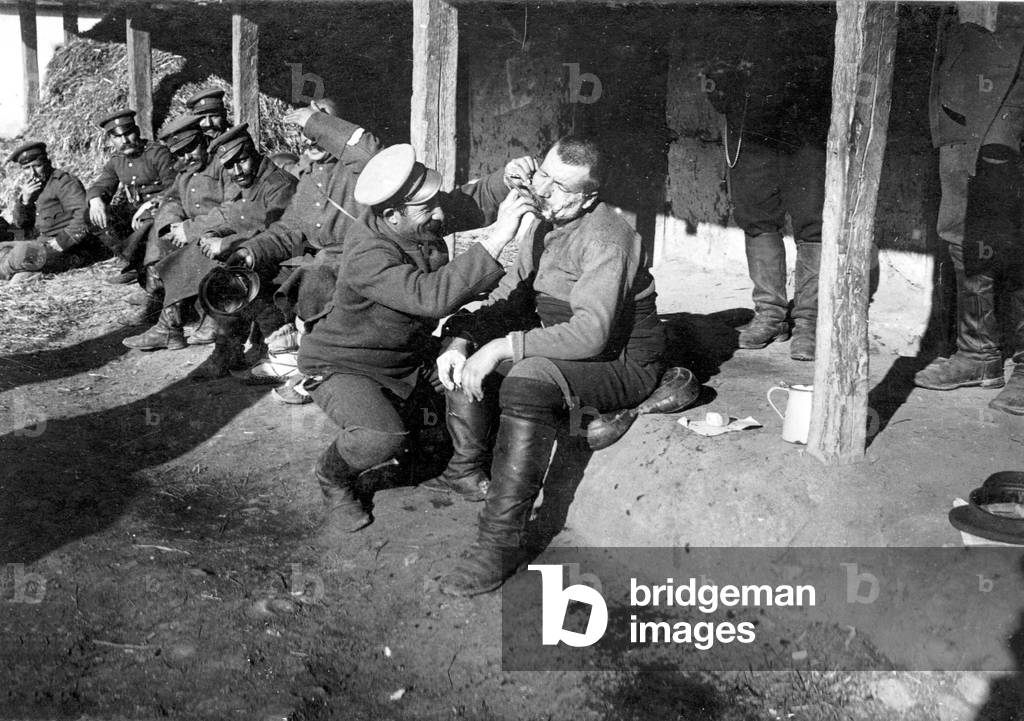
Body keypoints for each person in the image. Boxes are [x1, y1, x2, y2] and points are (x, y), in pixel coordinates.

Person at [435, 137, 666, 597]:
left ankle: (499, 543)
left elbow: (591, 335)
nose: (544, 189)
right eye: (543, 174)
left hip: (618, 360)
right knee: (461, 350)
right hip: (568, 343)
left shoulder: (608, 238)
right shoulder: (543, 224)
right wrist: (464, 335)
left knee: (526, 379)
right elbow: (514, 296)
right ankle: (465, 470)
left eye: (561, 187)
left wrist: (504, 347)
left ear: (590, 198)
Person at [296, 143, 534, 545]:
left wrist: (504, 179)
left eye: (436, 204)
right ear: (391, 216)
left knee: (462, 390)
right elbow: (430, 297)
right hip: (345, 365)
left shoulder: (415, 216)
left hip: (406, 358)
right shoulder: (367, 253)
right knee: (381, 437)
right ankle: (333, 478)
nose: (441, 216)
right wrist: (496, 241)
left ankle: (455, 472)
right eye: (428, 211)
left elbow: (468, 201)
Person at [701, 6, 834, 361]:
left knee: (813, 222)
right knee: (757, 217)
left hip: (806, 120)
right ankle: (771, 315)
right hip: (753, 123)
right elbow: (715, 62)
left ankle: (809, 321)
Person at [914, 5, 1024, 416]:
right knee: (961, 229)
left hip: (1013, 91)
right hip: (959, 96)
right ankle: (979, 355)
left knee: (1014, 230)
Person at [227, 99, 380, 394]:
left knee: (318, 273)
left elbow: (369, 151)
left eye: (322, 128)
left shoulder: (362, 168)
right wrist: (251, 250)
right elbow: (290, 228)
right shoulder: (310, 177)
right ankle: (294, 357)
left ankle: (320, 371)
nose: (312, 138)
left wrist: (316, 122)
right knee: (273, 274)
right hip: (326, 260)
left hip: (364, 257)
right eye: (308, 132)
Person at [148, 123, 297, 378]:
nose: (237, 171)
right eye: (229, 166)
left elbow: (278, 235)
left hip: (288, 261)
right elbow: (234, 217)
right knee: (215, 271)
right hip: (257, 256)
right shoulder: (246, 183)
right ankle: (228, 351)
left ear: (255, 153)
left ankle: (267, 348)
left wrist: (226, 244)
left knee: (233, 279)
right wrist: (214, 234)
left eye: (242, 161)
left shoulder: (278, 185)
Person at [121, 114, 234, 351]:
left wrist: (190, 229)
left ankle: (169, 328)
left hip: (224, 235)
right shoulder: (186, 172)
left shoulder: (225, 164)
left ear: (203, 140)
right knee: (161, 238)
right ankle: (167, 321)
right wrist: (172, 224)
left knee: (186, 256)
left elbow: (234, 210)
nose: (186, 157)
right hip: (196, 235)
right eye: (179, 153)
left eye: (191, 148)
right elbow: (172, 199)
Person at [87, 109, 176, 284]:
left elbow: (174, 187)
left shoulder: (157, 153)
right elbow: (101, 185)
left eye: (128, 134)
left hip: (160, 207)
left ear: (137, 131)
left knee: (147, 222)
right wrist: (95, 200)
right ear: (111, 140)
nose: (125, 141)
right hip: (134, 210)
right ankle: (133, 261)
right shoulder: (116, 161)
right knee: (90, 215)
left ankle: (136, 266)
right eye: (118, 137)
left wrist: (149, 204)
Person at [0, 141, 95, 279]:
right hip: (41, 245)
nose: (32, 173)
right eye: (26, 168)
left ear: (47, 162)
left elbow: (84, 215)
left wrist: (62, 242)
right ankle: (24, 271)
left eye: (37, 166)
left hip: (68, 249)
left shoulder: (63, 182)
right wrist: (25, 201)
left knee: (22, 252)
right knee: (3, 247)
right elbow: (20, 226)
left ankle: (14, 270)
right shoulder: (30, 188)